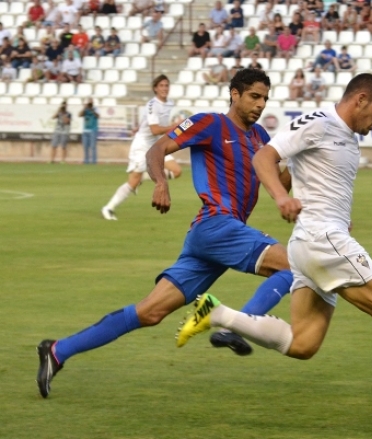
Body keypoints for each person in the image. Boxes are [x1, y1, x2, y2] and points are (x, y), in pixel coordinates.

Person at [174, 73, 372, 427]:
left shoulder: (347, 137)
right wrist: (282, 197)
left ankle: (219, 314)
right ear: (360, 99)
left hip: (312, 243)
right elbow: (264, 158)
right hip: (321, 238)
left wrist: (327, 209)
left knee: (303, 343)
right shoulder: (319, 122)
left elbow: (312, 180)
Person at [36, 69, 295, 398]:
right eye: (254, 96)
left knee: (150, 312)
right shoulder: (210, 124)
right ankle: (240, 324)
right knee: (294, 265)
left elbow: (279, 186)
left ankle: (57, 350)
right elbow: (156, 150)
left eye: (265, 99)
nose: (260, 104)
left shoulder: (260, 138)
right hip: (217, 225)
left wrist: (291, 164)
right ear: (234, 94)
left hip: (215, 237)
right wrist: (160, 182)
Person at [101, 75, 182, 221]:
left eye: (166, 85)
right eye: (161, 86)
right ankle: (108, 208)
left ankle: (144, 177)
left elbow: (154, 122)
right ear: (155, 88)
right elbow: (155, 130)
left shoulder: (170, 103)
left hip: (156, 145)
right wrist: (176, 126)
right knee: (132, 182)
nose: (164, 88)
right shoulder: (152, 104)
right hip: (142, 145)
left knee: (176, 171)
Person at [80, 98, 99, 164]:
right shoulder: (85, 109)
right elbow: (80, 115)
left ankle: (94, 161)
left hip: (93, 130)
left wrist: (92, 110)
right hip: (85, 130)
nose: (90, 103)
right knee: (85, 147)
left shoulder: (95, 108)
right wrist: (84, 108)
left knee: (93, 146)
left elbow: (98, 116)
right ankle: (86, 161)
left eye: (91, 102)